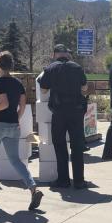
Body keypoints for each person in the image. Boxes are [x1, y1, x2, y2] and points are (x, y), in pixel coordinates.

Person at [0, 51, 43, 210]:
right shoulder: (18, 83)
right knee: (15, 160)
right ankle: (33, 188)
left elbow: (2, 104)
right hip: (13, 126)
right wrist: (16, 118)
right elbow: (22, 105)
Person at [38, 44, 90, 189]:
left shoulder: (50, 69)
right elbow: (84, 88)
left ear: (54, 54)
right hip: (76, 112)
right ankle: (79, 181)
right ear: (66, 54)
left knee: (60, 146)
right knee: (77, 146)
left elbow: (42, 91)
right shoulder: (77, 68)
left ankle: (63, 180)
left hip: (59, 112)